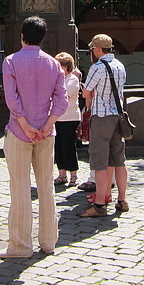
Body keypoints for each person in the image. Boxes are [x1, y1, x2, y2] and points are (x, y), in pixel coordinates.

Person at [0, 16, 67, 258]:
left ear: (22, 36)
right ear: (43, 37)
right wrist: (48, 124)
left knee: (20, 188)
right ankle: (48, 241)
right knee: (46, 186)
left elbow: (12, 98)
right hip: (46, 133)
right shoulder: (54, 64)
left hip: (19, 131)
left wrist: (25, 125)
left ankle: (20, 246)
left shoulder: (11, 61)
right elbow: (62, 100)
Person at [78, 34, 128, 218]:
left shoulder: (97, 67)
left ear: (98, 49)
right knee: (118, 161)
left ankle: (99, 205)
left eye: (92, 49)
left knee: (99, 161)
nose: (92, 52)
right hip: (118, 117)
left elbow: (86, 93)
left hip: (101, 117)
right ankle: (122, 200)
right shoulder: (120, 66)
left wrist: (88, 101)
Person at [53, 52, 80, 187]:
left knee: (68, 146)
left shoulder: (72, 79)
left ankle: (73, 175)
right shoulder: (56, 79)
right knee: (58, 147)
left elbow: (64, 94)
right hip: (56, 118)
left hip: (70, 118)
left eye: (60, 65)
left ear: (67, 67)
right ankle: (61, 174)